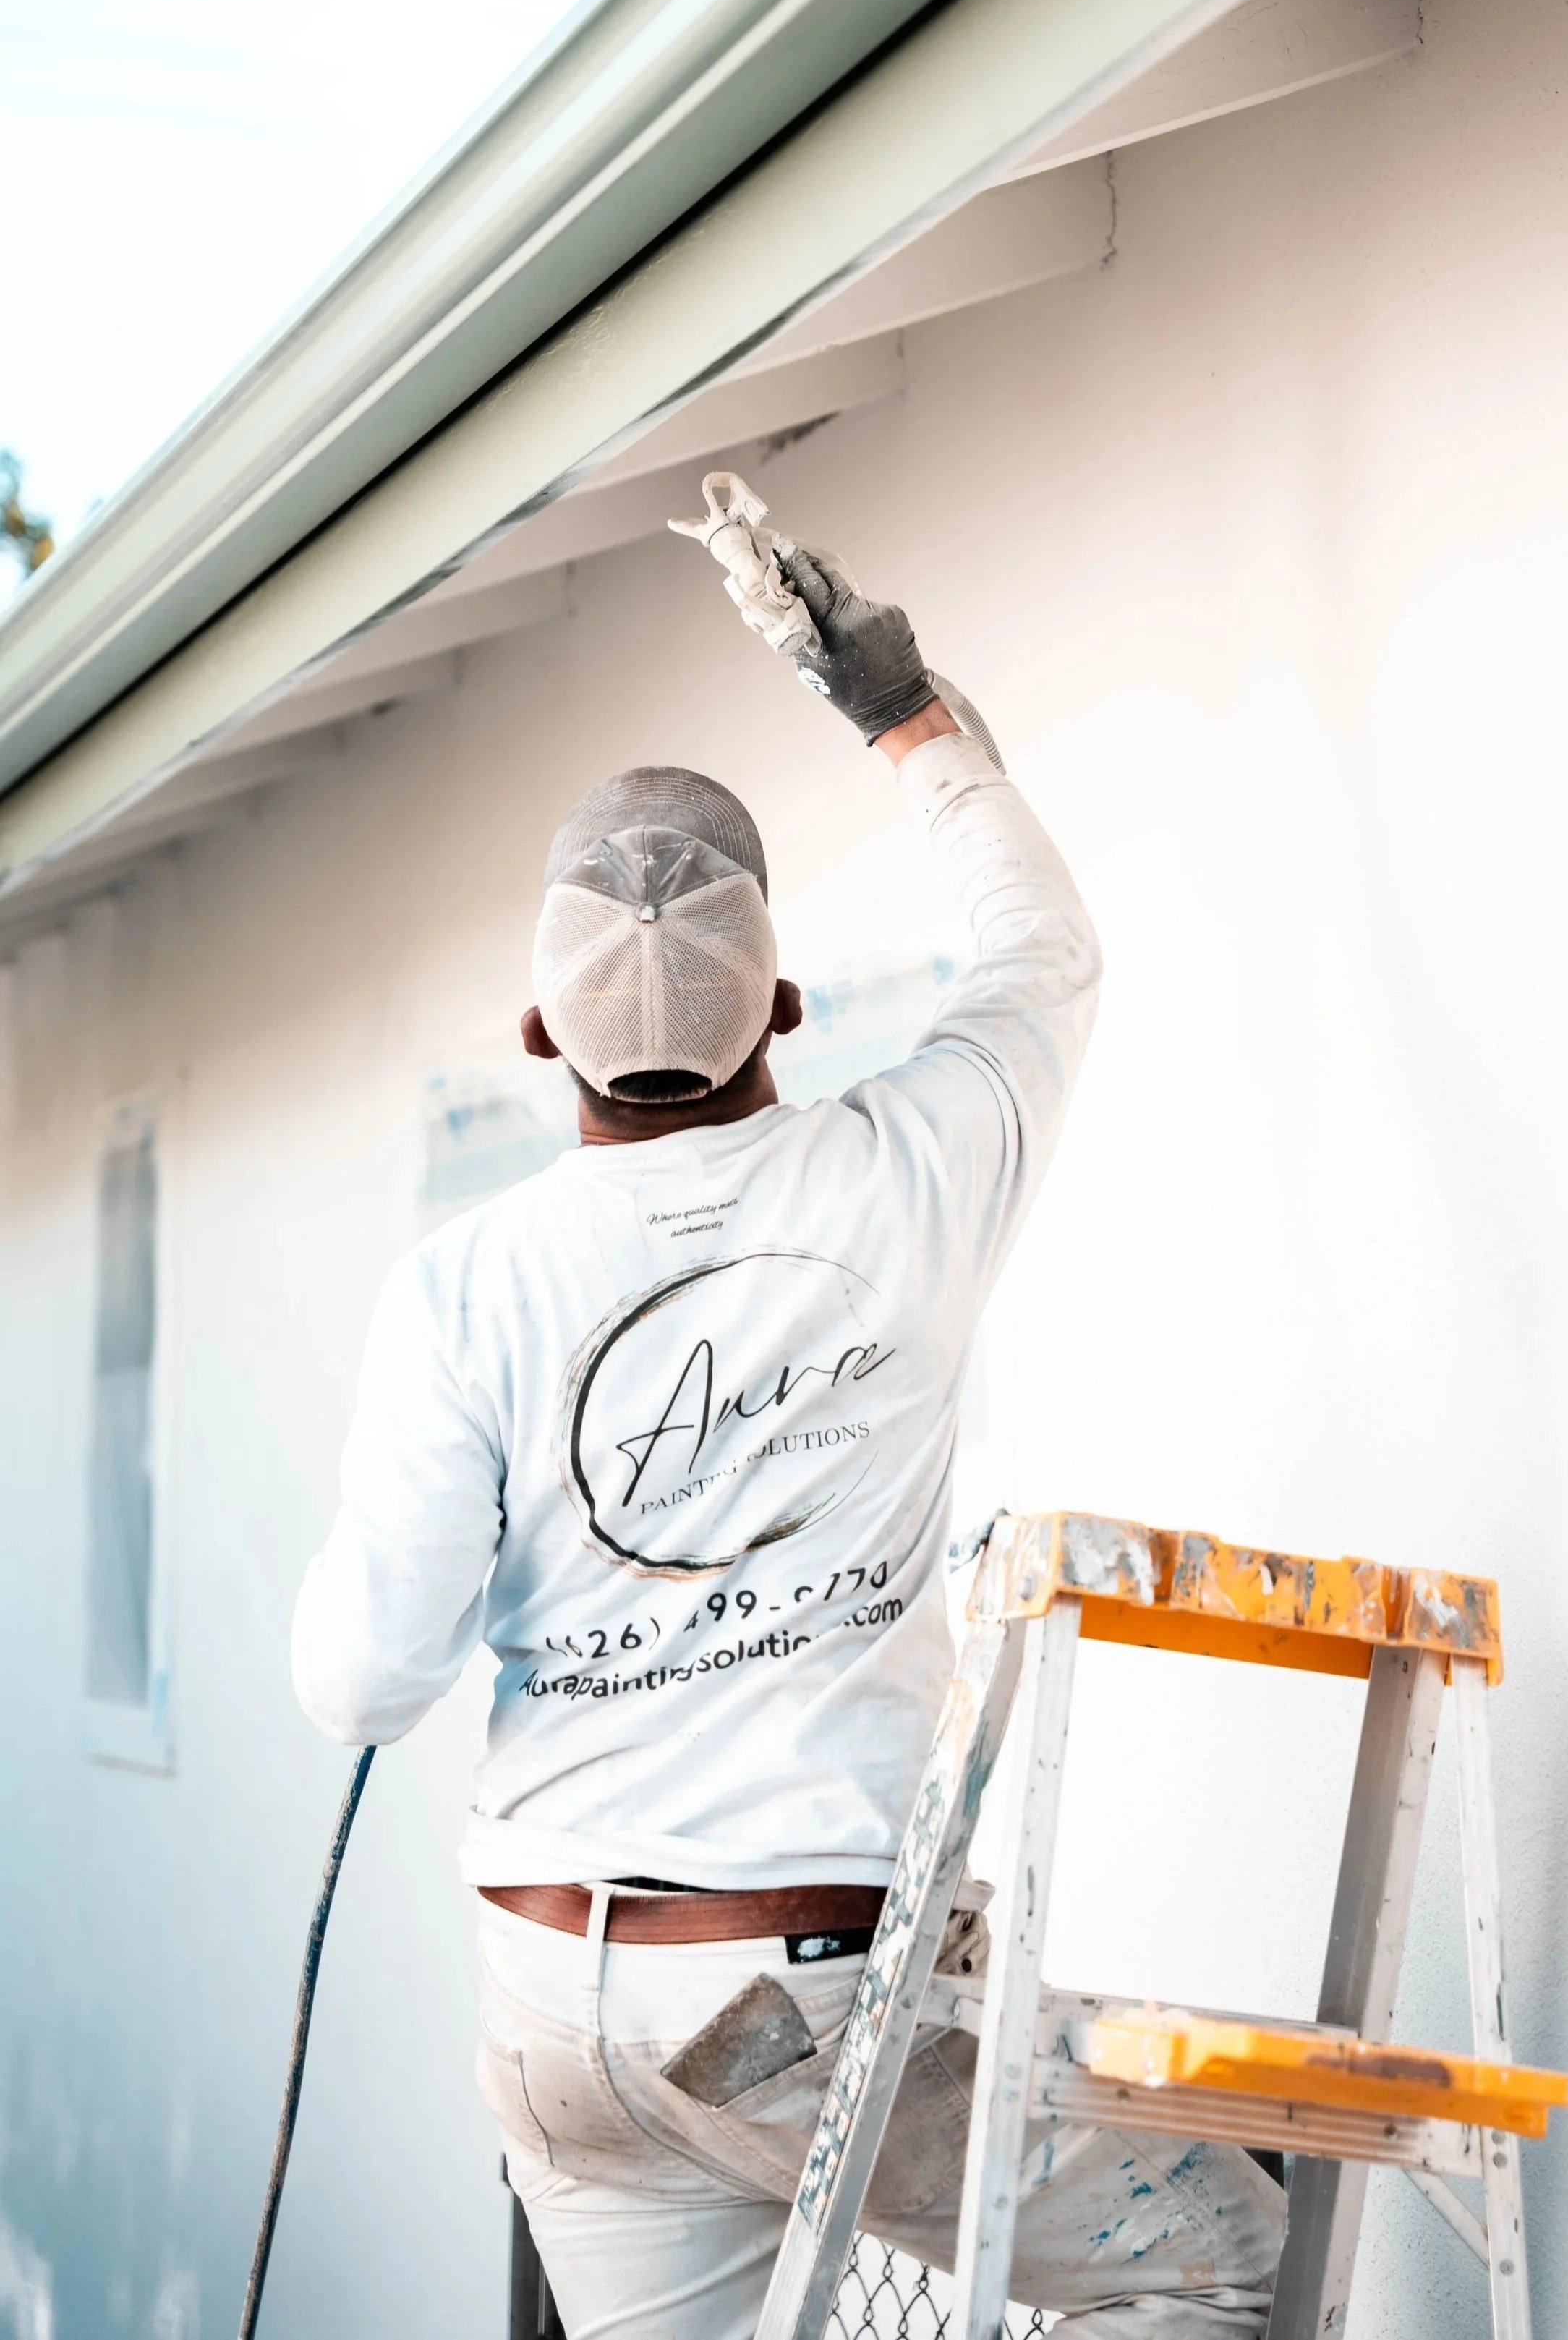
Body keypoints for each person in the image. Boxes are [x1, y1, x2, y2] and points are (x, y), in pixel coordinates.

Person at [291, 532, 1283, 2336]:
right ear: (787, 1009)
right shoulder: (911, 1170)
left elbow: (356, 1690)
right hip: (791, 2019)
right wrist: (898, 711)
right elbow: (1039, 952)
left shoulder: (461, 1291)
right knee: (1215, 2256)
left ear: (539, 1034)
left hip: (550, 2024)